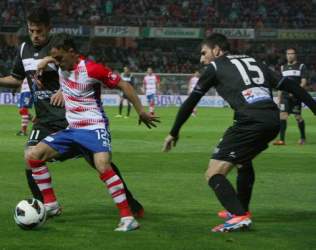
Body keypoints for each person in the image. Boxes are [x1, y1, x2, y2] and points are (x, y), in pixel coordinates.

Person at [0, 6, 145, 219]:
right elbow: (17, 79)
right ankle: (45, 208)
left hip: (67, 118)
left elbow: (79, 70)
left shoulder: (57, 50)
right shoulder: (24, 49)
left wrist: (64, 90)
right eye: (32, 31)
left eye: (39, 31)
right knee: (30, 158)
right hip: (44, 118)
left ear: (48, 28)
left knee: (99, 163)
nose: (35, 35)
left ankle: (131, 203)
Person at [162, 33, 316, 232]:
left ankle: (239, 216)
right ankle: (242, 210)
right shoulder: (254, 61)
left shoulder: (215, 67)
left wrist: (173, 132)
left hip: (250, 122)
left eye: (204, 53)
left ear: (216, 50)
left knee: (213, 173)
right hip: (272, 121)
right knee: (243, 162)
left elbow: (191, 101)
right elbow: (290, 84)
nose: (201, 59)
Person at [30, 33, 160, 231]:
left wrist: (141, 111)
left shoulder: (91, 69)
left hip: (94, 127)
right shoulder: (59, 62)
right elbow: (52, 58)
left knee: (102, 166)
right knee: (34, 156)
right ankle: (52, 204)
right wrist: (46, 60)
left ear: (72, 52)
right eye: (54, 59)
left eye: (60, 59)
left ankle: (128, 218)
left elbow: (123, 84)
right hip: (72, 130)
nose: (57, 63)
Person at [273, 47, 309, 146]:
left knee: (298, 117)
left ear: (295, 55)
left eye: (292, 53)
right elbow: (280, 85)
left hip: (296, 96)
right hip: (285, 96)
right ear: (286, 55)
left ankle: (303, 138)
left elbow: (304, 82)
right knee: (282, 116)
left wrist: (295, 91)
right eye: (288, 54)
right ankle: (281, 140)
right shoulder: (282, 68)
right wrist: (278, 99)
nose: (290, 55)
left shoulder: (301, 66)